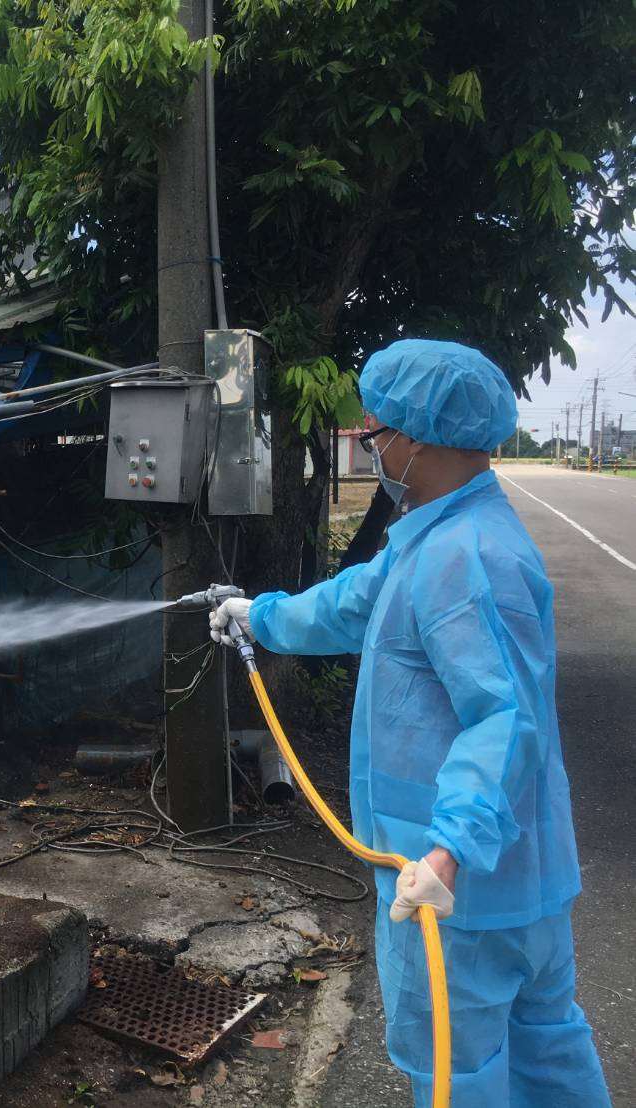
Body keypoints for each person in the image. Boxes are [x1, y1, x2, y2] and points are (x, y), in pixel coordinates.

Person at [210, 339, 609, 1107]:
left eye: (375, 432)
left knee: (462, 1073)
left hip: (455, 890)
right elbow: (352, 605)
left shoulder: (466, 558)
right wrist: (259, 616)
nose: (371, 445)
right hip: (508, 878)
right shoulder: (437, 535)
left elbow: (501, 720)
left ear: (418, 437)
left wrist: (449, 853)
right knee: (544, 1053)